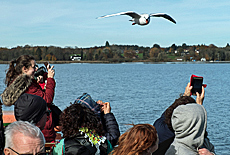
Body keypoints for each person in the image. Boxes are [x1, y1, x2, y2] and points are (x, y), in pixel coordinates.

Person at [1, 55, 56, 142]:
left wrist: (45, 75)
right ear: (24, 69)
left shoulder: (18, 83)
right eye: (34, 67)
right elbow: (47, 99)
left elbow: (39, 95)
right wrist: (50, 79)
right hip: (39, 129)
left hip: (27, 126)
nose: (36, 69)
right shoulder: (28, 86)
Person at [153, 83, 215, 155]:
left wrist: (185, 96)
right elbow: (198, 128)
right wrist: (199, 107)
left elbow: (168, 113)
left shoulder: (161, 128)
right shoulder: (178, 149)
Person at [52, 98, 120, 155]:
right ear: (93, 121)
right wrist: (106, 115)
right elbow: (113, 138)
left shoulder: (62, 145)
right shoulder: (104, 142)